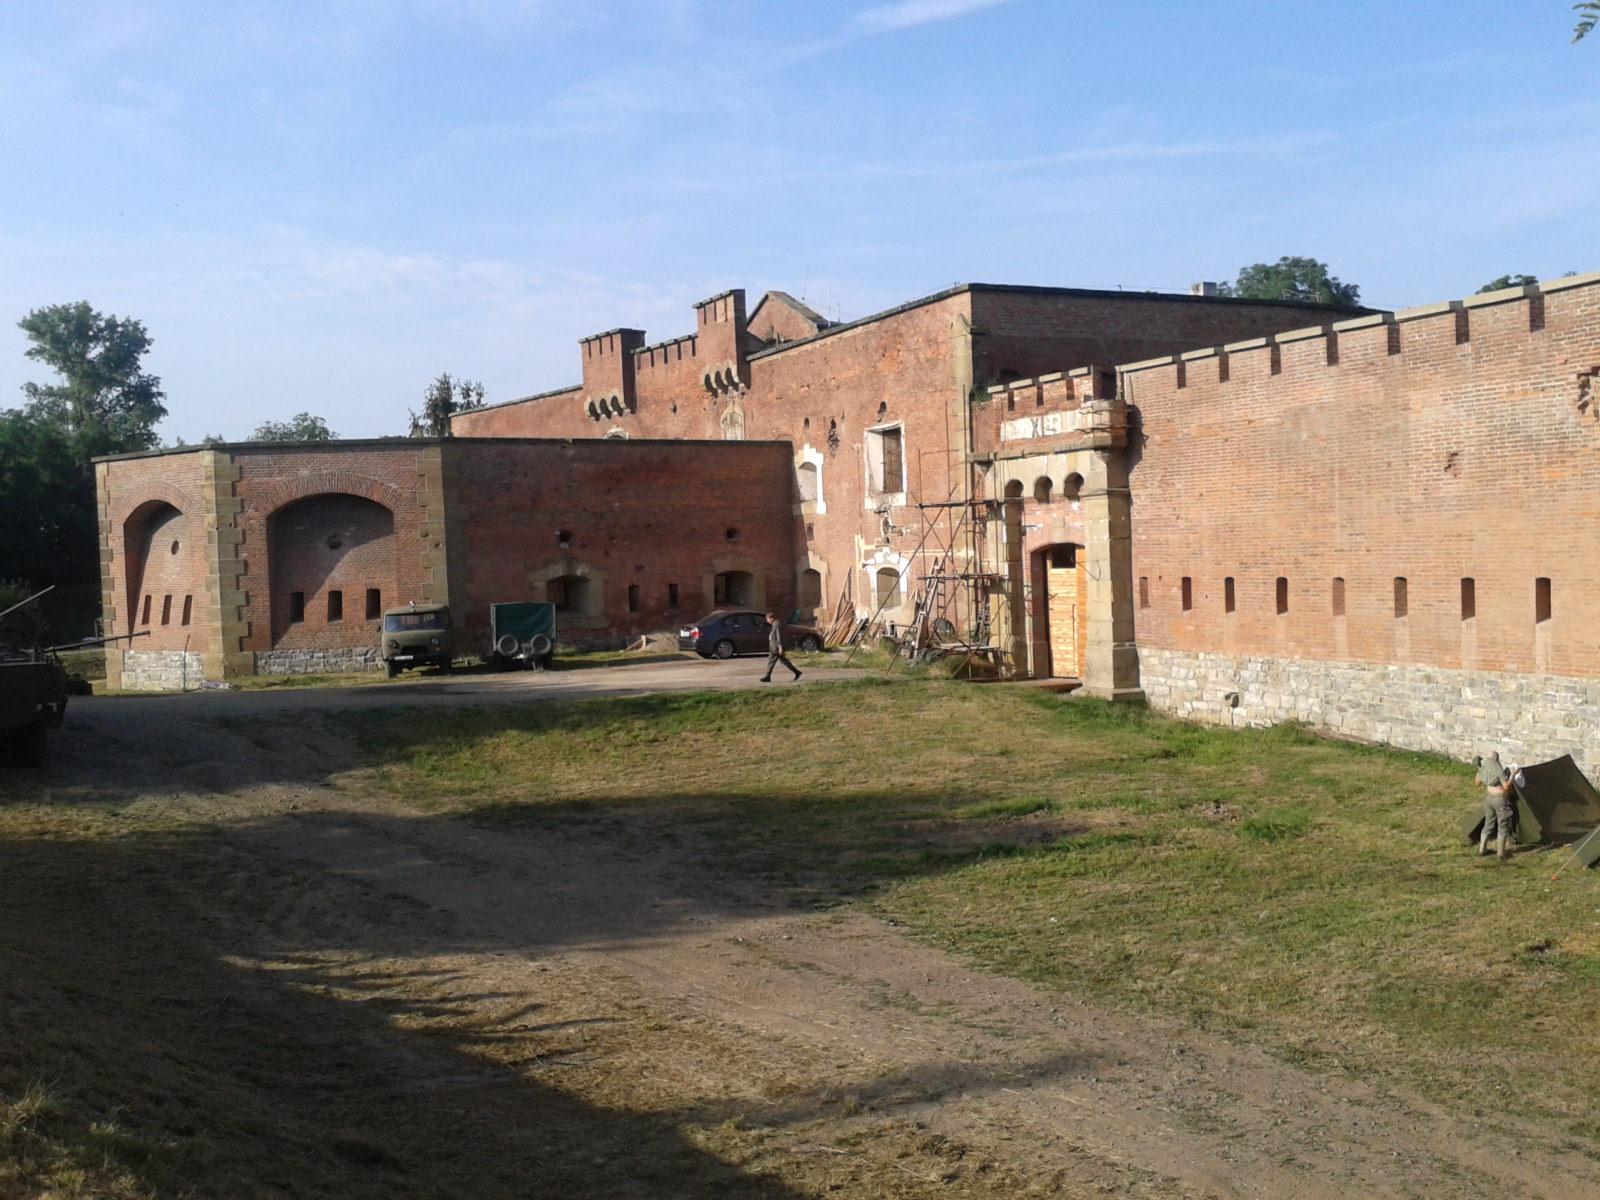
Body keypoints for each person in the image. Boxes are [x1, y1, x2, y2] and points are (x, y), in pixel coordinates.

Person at [1476, 751, 1516, 860]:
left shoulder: (1485, 767)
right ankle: (1501, 853)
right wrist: (1512, 775)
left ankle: (1482, 849)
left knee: (1488, 823)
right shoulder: (1497, 768)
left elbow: (1477, 782)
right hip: (1499, 799)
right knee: (1502, 824)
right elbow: (1506, 786)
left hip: (1488, 798)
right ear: (1497, 758)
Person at [760, 612, 802, 683]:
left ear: (771, 618)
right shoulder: (774, 624)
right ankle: (797, 672)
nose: (767, 621)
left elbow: (778, 636)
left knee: (771, 661)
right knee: (784, 661)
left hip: (776, 647)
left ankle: (767, 676)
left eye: (768, 619)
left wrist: (780, 647)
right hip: (774, 647)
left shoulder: (776, 624)